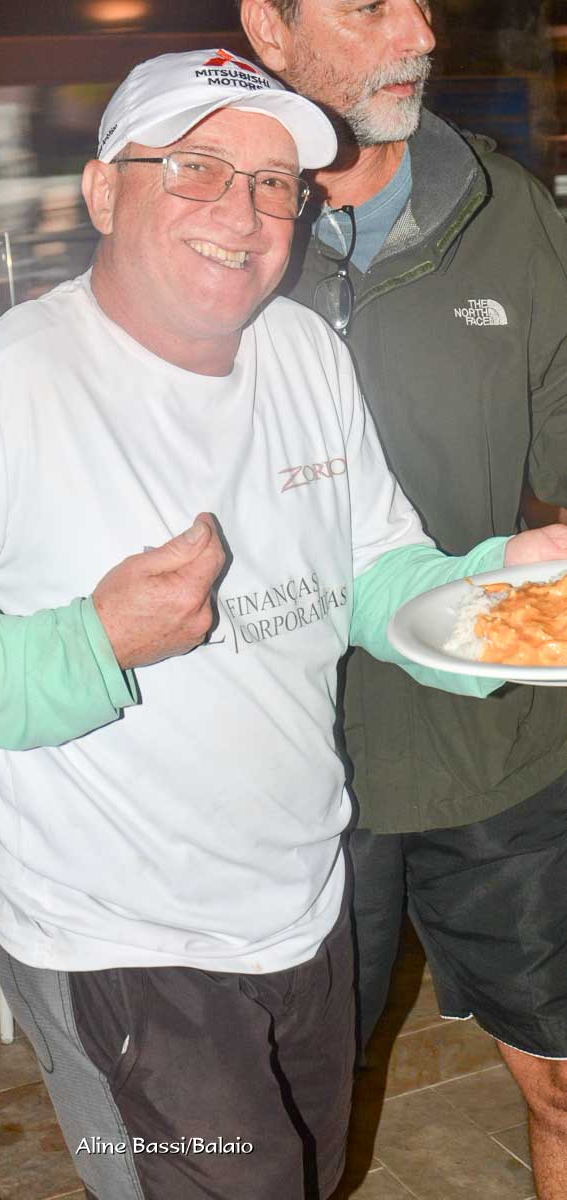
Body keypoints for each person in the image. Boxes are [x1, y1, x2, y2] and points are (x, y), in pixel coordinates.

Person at [0, 49, 567, 1200]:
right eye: (194, 169)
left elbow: (371, 568)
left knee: (307, 1177)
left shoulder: (303, 351)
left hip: (303, 903)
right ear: (104, 191)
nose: (240, 214)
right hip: (122, 949)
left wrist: (503, 583)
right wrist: (90, 643)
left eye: (272, 183)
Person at [239, 2, 567, 1195]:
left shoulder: (506, 211)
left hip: (496, 741)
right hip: (281, 766)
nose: (420, 29)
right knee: (283, 1129)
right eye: (370, 1)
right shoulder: (208, 223)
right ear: (267, 26)